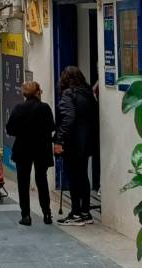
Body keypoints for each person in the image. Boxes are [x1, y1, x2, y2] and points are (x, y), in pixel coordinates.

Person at [54, 66, 99, 227]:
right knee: (83, 176)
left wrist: (59, 141)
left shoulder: (68, 94)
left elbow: (68, 118)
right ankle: (85, 212)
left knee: (73, 177)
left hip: (72, 143)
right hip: (86, 143)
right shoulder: (88, 94)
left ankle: (75, 212)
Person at [5, 81, 55, 226]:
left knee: (23, 182)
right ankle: (47, 213)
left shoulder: (19, 108)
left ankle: (26, 215)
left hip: (23, 148)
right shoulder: (45, 108)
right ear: (38, 92)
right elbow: (51, 127)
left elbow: (10, 129)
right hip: (41, 148)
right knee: (42, 180)